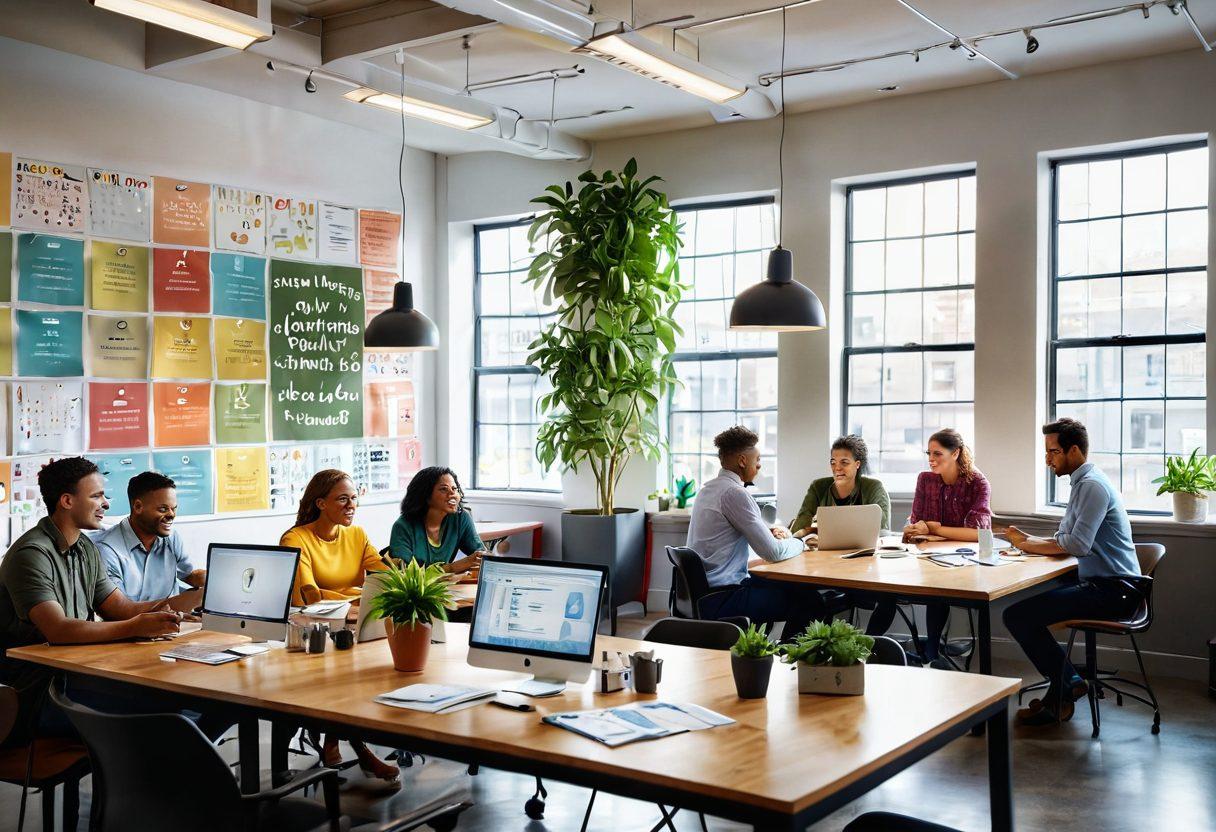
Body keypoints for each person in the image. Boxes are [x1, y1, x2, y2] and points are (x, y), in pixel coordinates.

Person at [0, 458, 182, 743]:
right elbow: (58, 630)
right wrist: (136, 626)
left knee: (177, 703)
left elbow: (118, 608)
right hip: (38, 695)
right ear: (67, 501)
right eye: (96, 496)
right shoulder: (31, 554)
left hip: (75, 677)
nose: (106, 504)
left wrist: (180, 605)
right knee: (169, 712)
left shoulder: (84, 547)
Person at [1000, 418, 1142, 726]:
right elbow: (1065, 537)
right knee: (1030, 609)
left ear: (1073, 450)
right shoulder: (1083, 483)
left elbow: (1075, 543)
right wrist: (1027, 542)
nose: (1047, 459)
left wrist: (1031, 545)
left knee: (1017, 616)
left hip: (1114, 591)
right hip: (1105, 583)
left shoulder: (1091, 487)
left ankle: (1067, 681)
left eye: (1052, 452)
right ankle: (1062, 691)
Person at [282, 469, 397, 782]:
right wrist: (355, 599)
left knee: (364, 679)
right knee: (340, 682)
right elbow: (308, 594)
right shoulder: (296, 538)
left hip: (354, 624)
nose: (351, 505)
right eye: (343, 499)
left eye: (354, 498)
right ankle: (359, 750)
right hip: (313, 631)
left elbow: (384, 576)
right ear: (321, 503)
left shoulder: (356, 535)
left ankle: (335, 741)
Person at [686, 425, 826, 640]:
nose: (759, 465)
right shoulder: (735, 493)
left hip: (706, 594)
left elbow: (728, 532)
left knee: (798, 589)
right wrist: (801, 540)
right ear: (743, 461)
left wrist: (768, 531)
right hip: (725, 597)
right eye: (758, 459)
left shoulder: (708, 489)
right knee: (811, 602)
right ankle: (788, 660)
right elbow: (773, 553)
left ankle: (769, 651)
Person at [866, 428, 991, 667]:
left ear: (955, 453)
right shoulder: (926, 479)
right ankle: (868, 649)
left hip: (963, 565)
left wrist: (934, 530)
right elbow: (913, 526)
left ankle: (932, 654)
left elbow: (978, 533)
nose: (931, 459)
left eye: (938, 454)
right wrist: (917, 530)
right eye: (928, 453)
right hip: (923, 558)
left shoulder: (978, 483)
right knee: (887, 588)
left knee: (937, 590)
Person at [94, 471, 205, 612]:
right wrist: (186, 600)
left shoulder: (172, 537)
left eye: (174, 508)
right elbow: (120, 611)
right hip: (135, 630)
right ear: (138, 507)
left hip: (178, 624)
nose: (171, 515)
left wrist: (215, 579)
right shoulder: (106, 549)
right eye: (163, 509)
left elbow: (188, 575)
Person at [388, 466, 485, 574]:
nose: (452, 493)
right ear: (426, 495)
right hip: (414, 591)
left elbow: (481, 554)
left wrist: (480, 558)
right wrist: (454, 567)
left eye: (454, 488)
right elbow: (405, 575)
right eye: (444, 489)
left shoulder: (460, 519)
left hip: (449, 587)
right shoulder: (403, 527)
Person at [790, 435, 891, 535]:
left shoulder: (874, 488)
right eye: (833, 462)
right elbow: (799, 526)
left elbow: (882, 530)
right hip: (826, 549)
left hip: (865, 549)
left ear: (857, 464)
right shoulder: (818, 487)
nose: (837, 468)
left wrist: (815, 530)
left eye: (844, 462)